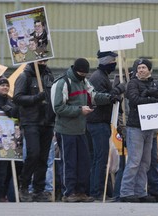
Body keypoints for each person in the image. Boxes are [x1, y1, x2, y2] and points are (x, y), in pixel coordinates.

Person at [51, 58, 117, 202]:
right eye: (81, 73)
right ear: (75, 70)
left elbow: (93, 96)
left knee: (83, 162)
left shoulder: (84, 82)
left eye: (85, 73)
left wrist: (109, 98)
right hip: (66, 130)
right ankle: (69, 192)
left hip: (81, 129)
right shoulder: (63, 83)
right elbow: (58, 108)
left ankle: (81, 191)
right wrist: (79, 110)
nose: (83, 75)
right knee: (69, 162)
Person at [119, 58, 158, 202]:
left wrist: (151, 92)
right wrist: (155, 100)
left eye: (144, 67)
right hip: (135, 126)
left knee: (145, 162)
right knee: (134, 161)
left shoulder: (155, 83)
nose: (141, 70)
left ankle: (140, 191)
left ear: (149, 70)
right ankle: (126, 191)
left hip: (150, 127)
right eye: (139, 67)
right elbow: (134, 100)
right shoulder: (133, 83)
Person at [13, 60, 55, 202]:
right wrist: (36, 98)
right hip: (31, 121)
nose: (43, 62)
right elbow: (17, 97)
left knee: (43, 157)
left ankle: (39, 189)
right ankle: (24, 186)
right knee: (33, 153)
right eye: (40, 60)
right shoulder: (24, 76)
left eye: (45, 59)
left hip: (47, 122)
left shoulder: (49, 76)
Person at [86, 50, 126, 200]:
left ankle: (98, 191)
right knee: (100, 159)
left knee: (99, 159)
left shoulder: (101, 76)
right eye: (112, 62)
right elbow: (100, 98)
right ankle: (97, 192)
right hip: (98, 123)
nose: (113, 64)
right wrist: (118, 90)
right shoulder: (98, 78)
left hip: (99, 122)